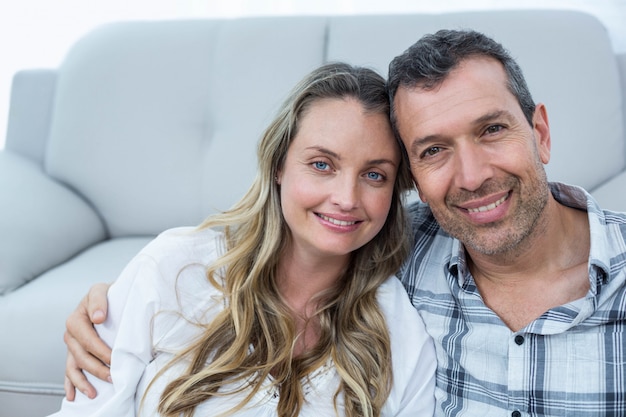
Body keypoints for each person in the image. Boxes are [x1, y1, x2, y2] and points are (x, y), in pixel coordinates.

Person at [65, 29, 626, 416]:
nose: (472, 176)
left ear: (541, 133)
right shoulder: (410, 250)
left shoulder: (399, 306)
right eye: (433, 151)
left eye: (492, 130)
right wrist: (115, 303)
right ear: (278, 164)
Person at [48, 62, 437, 417]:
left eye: (374, 175)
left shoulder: (400, 329)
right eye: (322, 165)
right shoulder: (174, 267)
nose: (347, 198)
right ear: (279, 165)